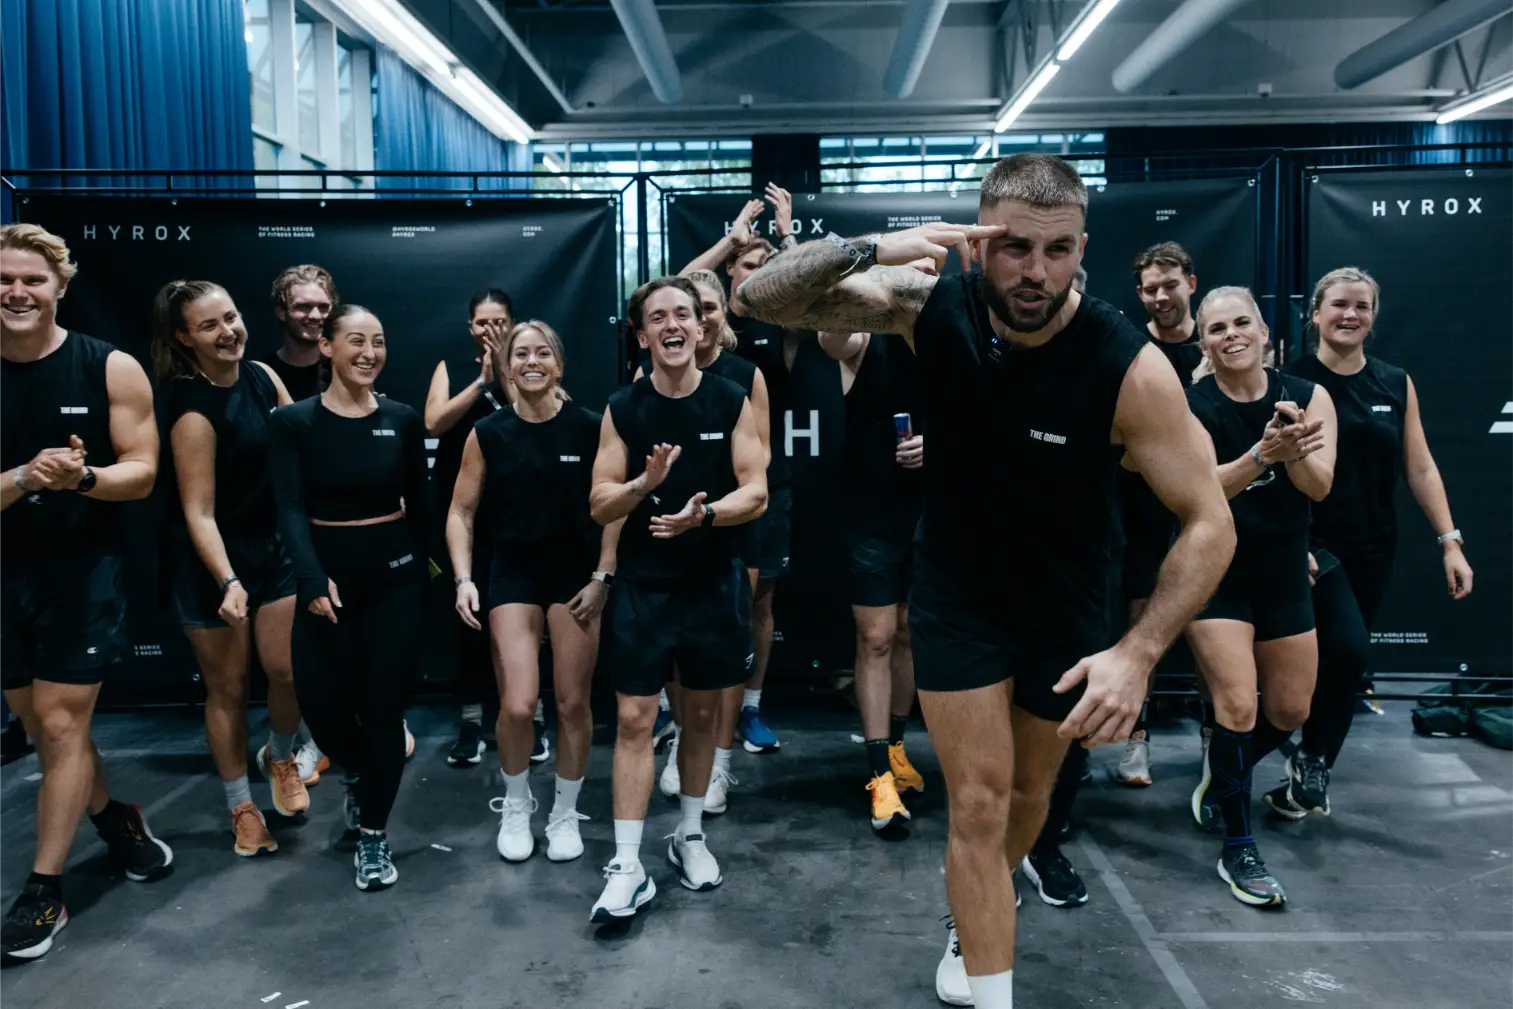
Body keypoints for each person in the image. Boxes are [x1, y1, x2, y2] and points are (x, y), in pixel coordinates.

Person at [735, 154, 1235, 1009]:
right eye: (1012, 247)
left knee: (1028, 793)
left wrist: (1140, 651)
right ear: (976, 239)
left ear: (1083, 250)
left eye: (1057, 250)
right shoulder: (928, 304)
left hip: (1068, 601)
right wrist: (880, 242)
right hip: (957, 589)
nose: (1033, 271)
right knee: (974, 798)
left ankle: (973, 914)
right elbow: (760, 299)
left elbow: (1208, 520)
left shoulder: (1127, 366)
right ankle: (990, 980)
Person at [0, 224, 174, 963]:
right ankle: (116, 821)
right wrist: (21, 478)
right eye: (5, 279)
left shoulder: (110, 366)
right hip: (3, 575)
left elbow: (143, 470)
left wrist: (85, 477)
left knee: (63, 727)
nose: (16, 292)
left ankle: (45, 889)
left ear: (60, 287)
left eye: (32, 280)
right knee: (41, 728)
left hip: (83, 571)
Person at [587, 276, 768, 921]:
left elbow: (756, 492)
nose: (672, 325)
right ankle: (627, 864)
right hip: (643, 588)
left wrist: (704, 516)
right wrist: (644, 482)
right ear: (643, 335)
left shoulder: (730, 399)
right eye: (658, 316)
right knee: (636, 721)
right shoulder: (623, 408)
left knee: (696, 720)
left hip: (712, 583)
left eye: (683, 314)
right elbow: (599, 500)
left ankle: (688, 835)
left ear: (700, 328)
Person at [1268, 267, 1472, 818]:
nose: (1350, 315)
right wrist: (1294, 542)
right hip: (1312, 546)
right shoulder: (1291, 381)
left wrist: (1449, 542)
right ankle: (1261, 758)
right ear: (1315, 313)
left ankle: (1305, 778)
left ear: (1373, 316)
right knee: (1344, 653)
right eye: (1338, 305)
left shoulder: (1394, 381)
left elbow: (1421, 466)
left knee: (1343, 667)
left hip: (1375, 547)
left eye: (1362, 306)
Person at [266, 304, 439, 892]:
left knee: (384, 711)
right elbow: (288, 508)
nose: (369, 352)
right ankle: (361, 776)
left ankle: (373, 834)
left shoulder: (403, 418)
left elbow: (423, 505)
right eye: (357, 341)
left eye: (379, 341)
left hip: (396, 580)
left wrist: (436, 574)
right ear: (328, 349)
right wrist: (311, 578)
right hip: (325, 583)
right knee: (325, 712)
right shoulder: (294, 423)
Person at [1180, 286, 1336, 907]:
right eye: (1216, 329)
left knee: (1292, 710)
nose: (1231, 335)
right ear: (1204, 344)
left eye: (1241, 322)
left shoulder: (1308, 394)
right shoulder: (1191, 406)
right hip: (1212, 570)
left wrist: (1293, 447)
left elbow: (1319, 488)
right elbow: (1194, 490)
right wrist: (1261, 453)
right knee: (1238, 707)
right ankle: (1238, 847)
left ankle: (1223, 776)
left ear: (1265, 329)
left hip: (1280, 569)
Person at [446, 320, 620, 863]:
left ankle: (565, 812)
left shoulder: (592, 427)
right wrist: (463, 578)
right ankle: (517, 803)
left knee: (572, 703)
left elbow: (615, 509)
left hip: (575, 575)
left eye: (542, 352)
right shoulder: (488, 433)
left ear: (559, 365)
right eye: (520, 354)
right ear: (507, 367)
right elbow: (460, 511)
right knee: (519, 705)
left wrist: (602, 577)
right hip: (515, 574)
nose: (531, 361)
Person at [153, 280, 308, 858]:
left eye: (233, 316)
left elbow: (304, 446)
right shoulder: (191, 408)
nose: (229, 331)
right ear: (184, 337)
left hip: (274, 549)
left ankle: (281, 753)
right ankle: (241, 804)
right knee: (228, 688)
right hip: (210, 560)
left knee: (288, 672)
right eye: (210, 325)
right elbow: (198, 511)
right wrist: (227, 580)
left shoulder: (265, 378)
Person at [642, 270, 770, 816]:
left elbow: (754, 472)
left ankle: (718, 759)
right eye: (699, 309)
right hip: (670, 537)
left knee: (724, 655)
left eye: (710, 309)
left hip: (733, 531)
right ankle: (682, 748)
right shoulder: (647, 381)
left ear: (712, 317)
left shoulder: (744, 379)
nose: (703, 319)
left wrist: (712, 513)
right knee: (679, 658)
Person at [682, 185, 798, 754]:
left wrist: (788, 237)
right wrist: (732, 238)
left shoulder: (769, 334)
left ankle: (743, 713)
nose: (754, 275)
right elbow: (674, 291)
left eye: (763, 267)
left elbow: (810, 293)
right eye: (745, 266)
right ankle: (684, 723)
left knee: (753, 608)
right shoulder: (678, 341)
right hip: (692, 504)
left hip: (757, 496)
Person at [816, 286, 928, 835]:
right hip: (870, 513)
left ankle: (899, 747)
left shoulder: (951, 338)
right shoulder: (864, 338)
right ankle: (878, 773)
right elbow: (830, 335)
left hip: (933, 510)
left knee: (908, 633)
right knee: (877, 636)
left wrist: (941, 446)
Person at [1117, 242, 1206, 787]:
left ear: (1190, 283)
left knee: (1210, 631)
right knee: (1141, 621)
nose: (1161, 296)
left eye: (1169, 284)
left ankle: (1216, 745)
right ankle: (1135, 738)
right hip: (1142, 512)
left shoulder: (1220, 343)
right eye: (1150, 288)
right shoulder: (1132, 349)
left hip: (1210, 507)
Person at [426, 288, 514, 768]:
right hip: (462, 516)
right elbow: (434, 422)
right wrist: (480, 384)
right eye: (482, 323)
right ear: (470, 327)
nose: (490, 331)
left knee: (522, 619)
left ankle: (531, 718)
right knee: (468, 622)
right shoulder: (451, 368)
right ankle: (471, 720)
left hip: (515, 516)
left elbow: (530, 411)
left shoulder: (525, 362)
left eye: (499, 322)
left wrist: (503, 370)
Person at [261, 263, 341, 781]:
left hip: (340, 524)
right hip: (279, 530)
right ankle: (301, 742)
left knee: (342, 638)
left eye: (321, 307)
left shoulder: (349, 367)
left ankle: (340, 728)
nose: (313, 316)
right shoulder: (258, 374)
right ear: (281, 311)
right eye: (303, 306)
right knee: (293, 655)